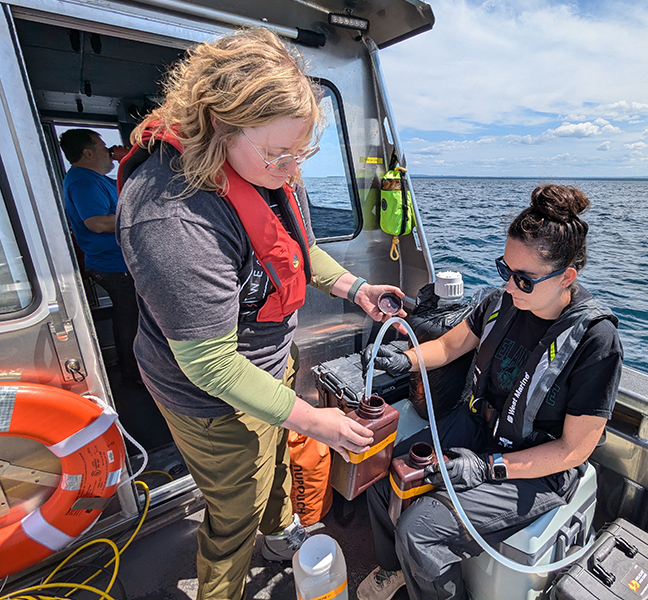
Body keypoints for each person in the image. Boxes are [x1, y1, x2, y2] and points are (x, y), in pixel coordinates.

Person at [115, 28, 405, 600]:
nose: (291, 166)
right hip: (209, 396)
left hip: (269, 361)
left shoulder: (267, 171)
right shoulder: (171, 215)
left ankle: (277, 538)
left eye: (302, 153)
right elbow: (213, 367)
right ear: (218, 123)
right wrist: (312, 419)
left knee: (272, 463)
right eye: (278, 153)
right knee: (233, 510)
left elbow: (293, 249)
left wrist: (355, 288)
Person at [357, 184, 623, 600]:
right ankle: (393, 572)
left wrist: (487, 468)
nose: (511, 287)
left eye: (524, 279)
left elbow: (573, 451)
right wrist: (404, 360)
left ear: (566, 276)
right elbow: (448, 346)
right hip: (478, 427)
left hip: (537, 468)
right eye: (505, 270)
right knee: (381, 475)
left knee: (421, 532)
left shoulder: (596, 341)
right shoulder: (499, 303)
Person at [59, 129, 141, 386]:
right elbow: (95, 223)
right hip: (113, 265)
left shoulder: (97, 179)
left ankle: (137, 371)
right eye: (103, 146)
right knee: (131, 318)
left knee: (131, 315)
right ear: (88, 152)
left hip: (120, 262)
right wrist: (142, 220)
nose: (109, 150)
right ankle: (134, 375)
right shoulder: (83, 181)